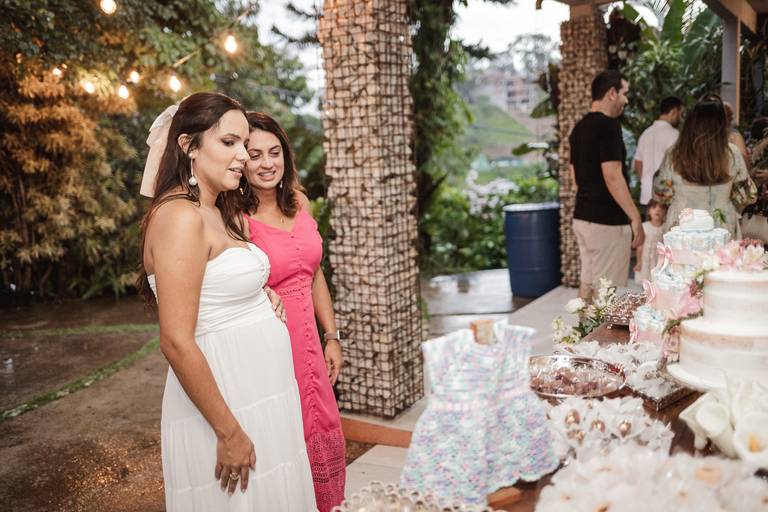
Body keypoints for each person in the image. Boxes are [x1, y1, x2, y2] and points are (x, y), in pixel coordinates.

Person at [137, 93, 316, 511]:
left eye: (244, 144)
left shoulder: (214, 210)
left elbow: (214, 283)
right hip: (226, 402)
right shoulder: (179, 217)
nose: (243, 156)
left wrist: (258, 293)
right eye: (229, 142)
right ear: (188, 146)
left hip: (261, 393)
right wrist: (227, 430)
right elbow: (176, 340)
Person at [241, 112, 346, 512]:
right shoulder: (234, 218)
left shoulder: (299, 202)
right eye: (254, 155)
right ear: (241, 160)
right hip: (272, 344)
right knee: (288, 432)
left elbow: (314, 273)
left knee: (325, 424)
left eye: (274, 152)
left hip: (311, 344)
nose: (267, 163)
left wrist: (331, 336)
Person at [569, 70, 644, 300]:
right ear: (612, 93)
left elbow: (575, 179)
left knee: (588, 286)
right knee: (607, 295)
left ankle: (582, 326)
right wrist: (635, 217)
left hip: (583, 218)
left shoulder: (578, 129)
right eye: (624, 93)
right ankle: (598, 327)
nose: (626, 100)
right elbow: (612, 175)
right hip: (607, 224)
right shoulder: (609, 125)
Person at [653, 94, 757, 239]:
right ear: (721, 124)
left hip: (682, 226)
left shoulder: (675, 153)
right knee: (722, 255)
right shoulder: (732, 153)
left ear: (691, 122)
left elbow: (660, 192)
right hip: (721, 226)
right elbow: (747, 196)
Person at [633, 96, 684, 205]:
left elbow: (638, 163)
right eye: (680, 114)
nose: (681, 119)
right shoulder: (674, 134)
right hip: (666, 196)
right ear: (674, 112)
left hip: (647, 195)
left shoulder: (646, 133)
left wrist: (645, 181)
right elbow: (678, 164)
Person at [633, 199, 667, 284]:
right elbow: (640, 247)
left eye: (661, 208)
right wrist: (639, 262)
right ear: (648, 211)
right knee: (646, 281)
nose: (658, 210)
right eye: (654, 207)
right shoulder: (644, 227)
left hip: (659, 259)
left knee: (657, 282)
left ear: (665, 212)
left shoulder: (665, 228)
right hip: (646, 259)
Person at [724, 101, 749, 167]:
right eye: (728, 115)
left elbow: (744, 162)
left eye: (731, 115)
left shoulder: (734, 134)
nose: (732, 118)